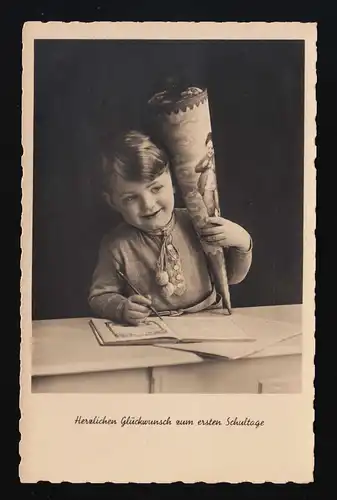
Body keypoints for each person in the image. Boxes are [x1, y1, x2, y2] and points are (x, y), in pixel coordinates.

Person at [89, 130, 252, 326]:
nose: (148, 204)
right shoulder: (115, 245)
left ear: (174, 182)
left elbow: (232, 277)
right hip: (153, 328)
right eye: (131, 198)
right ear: (113, 202)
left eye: (156, 188)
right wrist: (122, 308)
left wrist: (243, 242)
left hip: (211, 319)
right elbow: (99, 296)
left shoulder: (197, 222)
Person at [195, 132, 220, 217]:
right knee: (209, 208)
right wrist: (203, 166)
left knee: (219, 206)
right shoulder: (205, 157)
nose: (210, 150)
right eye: (208, 148)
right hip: (207, 187)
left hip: (217, 187)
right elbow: (196, 169)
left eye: (212, 148)